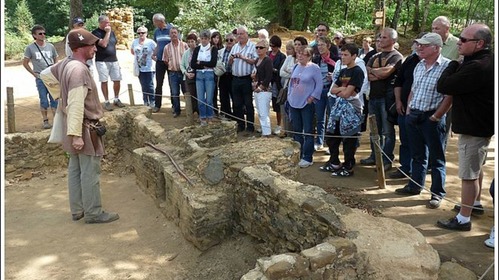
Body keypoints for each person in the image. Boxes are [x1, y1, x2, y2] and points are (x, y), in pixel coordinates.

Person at [40, 29, 119, 224]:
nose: (94, 48)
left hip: (73, 125)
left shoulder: (66, 63)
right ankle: (93, 212)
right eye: (91, 45)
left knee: (75, 168)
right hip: (83, 128)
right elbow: (76, 105)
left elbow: (45, 74)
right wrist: (76, 135)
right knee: (89, 171)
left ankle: (77, 209)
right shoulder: (79, 70)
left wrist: (60, 96)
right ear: (80, 48)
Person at [436, 23, 494, 230]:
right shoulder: (482, 61)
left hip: (474, 127)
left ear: (479, 43)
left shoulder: (477, 66)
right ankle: (474, 203)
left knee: (468, 175)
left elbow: (443, 86)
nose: (458, 42)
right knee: (476, 168)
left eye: (463, 40)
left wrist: (453, 64)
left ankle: (463, 218)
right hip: (479, 125)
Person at [394, 33, 451, 209]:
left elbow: (449, 96)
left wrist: (436, 116)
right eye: (419, 45)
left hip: (432, 117)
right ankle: (415, 185)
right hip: (414, 115)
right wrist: (410, 108)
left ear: (436, 48)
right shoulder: (418, 64)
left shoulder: (447, 66)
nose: (419, 47)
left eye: (424, 45)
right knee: (417, 154)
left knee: (436, 158)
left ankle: (437, 193)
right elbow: (413, 88)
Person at [361, 27, 403, 172]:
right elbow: (367, 73)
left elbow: (386, 73)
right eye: (380, 37)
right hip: (373, 97)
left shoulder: (397, 57)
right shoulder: (374, 56)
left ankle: (386, 160)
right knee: (374, 130)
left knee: (387, 131)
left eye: (384, 37)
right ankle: (374, 156)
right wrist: (375, 72)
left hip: (387, 99)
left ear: (393, 40)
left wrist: (376, 72)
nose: (380, 39)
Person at [322, 43, 365, 177]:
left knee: (349, 138)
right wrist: (342, 89)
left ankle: (348, 166)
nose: (343, 57)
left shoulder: (357, 71)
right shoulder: (342, 70)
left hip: (352, 108)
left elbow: (348, 94)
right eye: (341, 54)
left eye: (346, 55)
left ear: (354, 56)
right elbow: (333, 90)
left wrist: (341, 90)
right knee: (331, 134)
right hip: (339, 106)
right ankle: (334, 162)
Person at [388, 33, 425, 179]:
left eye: (421, 44)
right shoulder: (410, 60)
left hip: (422, 110)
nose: (418, 46)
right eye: (416, 43)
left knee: (421, 145)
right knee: (405, 139)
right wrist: (398, 101)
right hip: (404, 108)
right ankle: (405, 167)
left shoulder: (436, 63)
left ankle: (417, 175)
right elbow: (398, 82)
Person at [287, 47, 323, 168]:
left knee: (308, 130)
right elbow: (291, 83)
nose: (300, 56)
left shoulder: (315, 68)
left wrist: (312, 98)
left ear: (309, 56)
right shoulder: (296, 66)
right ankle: (299, 154)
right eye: (299, 54)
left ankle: (307, 157)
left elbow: (319, 85)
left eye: (303, 54)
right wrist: (289, 96)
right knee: (296, 130)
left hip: (306, 104)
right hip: (294, 102)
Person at [23, 24, 59, 129]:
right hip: (40, 76)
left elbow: (55, 57)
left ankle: (56, 121)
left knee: (55, 98)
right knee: (43, 99)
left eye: (44, 33)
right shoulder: (30, 48)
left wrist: (55, 68)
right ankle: (45, 120)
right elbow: (25, 62)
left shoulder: (50, 46)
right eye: (40, 33)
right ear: (34, 35)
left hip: (51, 76)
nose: (43, 35)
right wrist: (34, 74)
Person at [92, 15, 125, 111]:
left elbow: (114, 43)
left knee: (117, 79)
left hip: (114, 60)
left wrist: (110, 32)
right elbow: (103, 44)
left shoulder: (112, 33)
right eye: (106, 22)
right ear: (101, 23)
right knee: (104, 81)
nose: (109, 24)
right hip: (102, 61)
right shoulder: (95, 33)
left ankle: (116, 98)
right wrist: (108, 33)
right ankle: (106, 101)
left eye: (109, 22)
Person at [229, 26, 258, 133]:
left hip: (246, 78)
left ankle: (250, 126)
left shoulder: (253, 46)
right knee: (237, 104)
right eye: (238, 34)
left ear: (246, 34)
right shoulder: (235, 46)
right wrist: (231, 59)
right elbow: (229, 63)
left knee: (248, 103)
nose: (239, 36)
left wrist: (243, 57)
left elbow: (255, 61)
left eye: (241, 34)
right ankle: (240, 124)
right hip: (235, 78)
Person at [311, 36, 335, 151]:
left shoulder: (336, 59)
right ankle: (319, 141)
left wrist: (333, 77)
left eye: (322, 45)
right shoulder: (316, 59)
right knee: (320, 118)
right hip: (319, 91)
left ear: (328, 46)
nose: (320, 47)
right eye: (318, 45)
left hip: (331, 91)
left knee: (331, 118)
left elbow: (342, 72)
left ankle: (331, 144)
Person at [191, 30, 218, 126]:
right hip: (199, 75)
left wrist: (201, 62)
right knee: (201, 98)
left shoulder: (213, 49)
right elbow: (193, 64)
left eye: (206, 39)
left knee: (209, 98)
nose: (204, 41)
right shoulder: (197, 49)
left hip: (209, 75)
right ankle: (202, 117)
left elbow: (213, 63)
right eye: (202, 38)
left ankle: (210, 116)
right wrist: (204, 65)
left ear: (209, 39)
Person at [163, 27, 188, 118]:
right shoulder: (167, 47)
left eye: (175, 32)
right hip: (173, 73)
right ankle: (177, 111)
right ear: (169, 35)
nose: (173, 34)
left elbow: (189, 57)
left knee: (186, 92)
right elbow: (165, 60)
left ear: (178, 34)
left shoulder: (184, 45)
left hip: (183, 73)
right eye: (172, 33)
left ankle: (189, 110)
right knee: (174, 93)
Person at [151, 13, 173, 113]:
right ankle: (157, 105)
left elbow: (177, 44)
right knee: (159, 83)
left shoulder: (171, 29)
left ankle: (175, 106)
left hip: (170, 61)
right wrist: (154, 54)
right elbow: (158, 45)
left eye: (155, 22)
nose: (154, 24)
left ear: (161, 21)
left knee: (172, 84)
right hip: (159, 61)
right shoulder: (156, 32)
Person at [131, 26, 157, 107]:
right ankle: (145, 101)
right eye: (139, 33)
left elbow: (156, 50)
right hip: (139, 68)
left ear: (146, 33)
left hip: (150, 67)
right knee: (143, 85)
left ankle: (152, 101)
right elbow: (132, 51)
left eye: (143, 33)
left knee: (150, 85)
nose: (141, 34)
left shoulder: (151, 42)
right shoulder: (134, 42)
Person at [252, 39, 274, 137]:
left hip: (264, 90)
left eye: (261, 47)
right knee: (260, 112)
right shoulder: (257, 60)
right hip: (257, 88)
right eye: (257, 47)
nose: (258, 49)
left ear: (266, 49)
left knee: (264, 112)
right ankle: (264, 131)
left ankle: (266, 134)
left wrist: (260, 87)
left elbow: (269, 77)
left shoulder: (268, 60)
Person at [268, 35, 286, 135]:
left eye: (274, 46)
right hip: (268, 81)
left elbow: (281, 71)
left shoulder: (282, 56)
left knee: (277, 104)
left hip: (276, 82)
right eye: (270, 45)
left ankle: (279, 124)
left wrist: (273, 69)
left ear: (278, 46)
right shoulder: (267, 54)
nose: (272, 47)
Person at [279, 40, 297, 138]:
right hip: (287, 88)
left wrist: (290, 73)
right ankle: (287, 132)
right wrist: (292, 74)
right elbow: (281, 72)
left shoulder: (302, 59)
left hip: (297, 90)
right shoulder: (289, 58)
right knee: (285, 111)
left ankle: (294, 134)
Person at [180, 32, 199, 115]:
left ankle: (199, 112)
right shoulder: (186, 53)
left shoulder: (199, 51)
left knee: (198, 95)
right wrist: (186, 73)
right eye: (189, 41)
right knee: (189, 95)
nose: (190, 43)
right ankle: (190, 113)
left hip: (198, 77)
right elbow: (182, 65)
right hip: (187, 77)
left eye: (192, 41)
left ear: (196, 42)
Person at [218, 32, 236, 119]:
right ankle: (227, 115)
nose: (229, 42)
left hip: (233, 76)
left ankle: (236, 117)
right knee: (223, 97)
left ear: (235, 41)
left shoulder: (237, 51)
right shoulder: (220, 51)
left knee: (235, 97)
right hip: (223, 76)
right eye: (227, 40)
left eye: (231, 40)